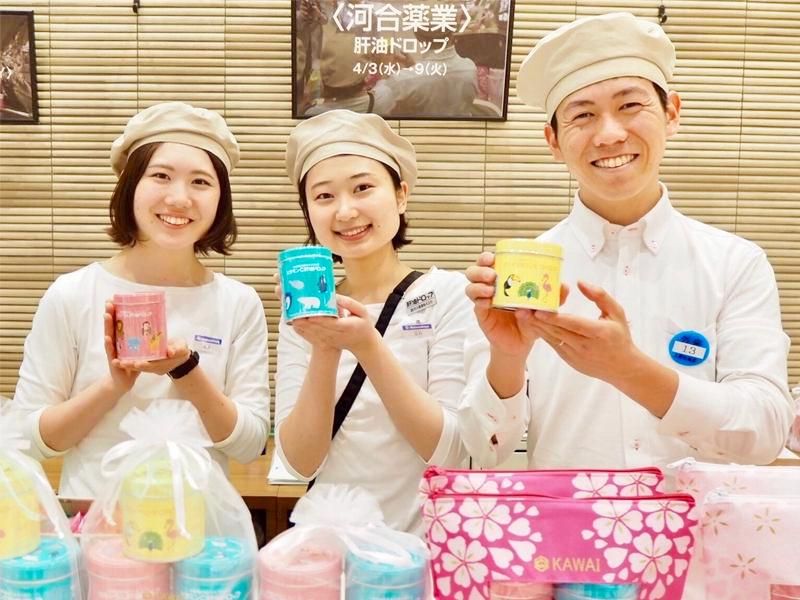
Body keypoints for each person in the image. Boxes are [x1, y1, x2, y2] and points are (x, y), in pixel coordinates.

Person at [458, 12, 793, 474]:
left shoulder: (735, 263)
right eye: (582, 115)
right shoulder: (520, 277)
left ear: (672, 113)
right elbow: (483, 450)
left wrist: (629, 369)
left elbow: (765, 432)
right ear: (553, 141)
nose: (610, 134)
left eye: (630, 105)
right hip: (568, 521)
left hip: (700, 518)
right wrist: (507, 356)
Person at [12, 102, 270, 498]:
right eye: (161, 176)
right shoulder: (72, 294)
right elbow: (30, 440)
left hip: (202, 525)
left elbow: (250, 446)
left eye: (201, 182)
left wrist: (186, 370)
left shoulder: (239, 303)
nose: (179, 198)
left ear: (221, 199)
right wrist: (114, 385)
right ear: (130, 186)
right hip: (94, 524)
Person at [276, 109, 471, 533]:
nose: (346, 211)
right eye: (324, 196)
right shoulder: (304, 316)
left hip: (424, 547)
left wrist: (368, 346)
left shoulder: (448, 294)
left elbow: (450, 451)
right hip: (327, 547)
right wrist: (325, 346)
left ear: (400, 195)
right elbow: (298, 463)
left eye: (363, 188)